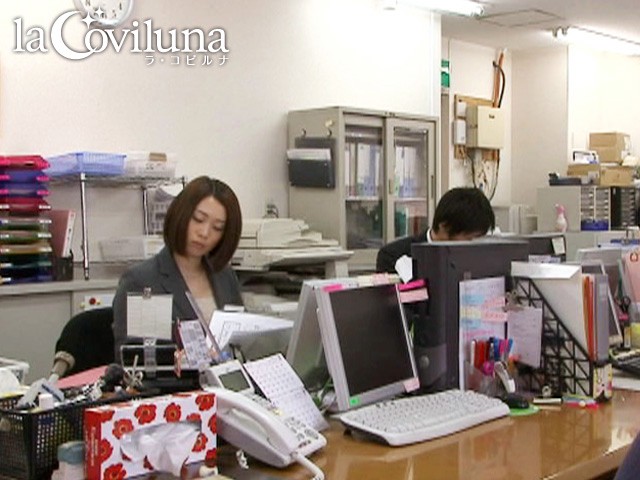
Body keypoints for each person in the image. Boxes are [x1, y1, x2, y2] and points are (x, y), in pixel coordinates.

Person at [112, 176, 244, 357]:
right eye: (198, 219)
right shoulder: (142, 280)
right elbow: (132, 356)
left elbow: (240, 341)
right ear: (181, 215)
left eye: (217, 228)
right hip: (176, 376)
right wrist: (178, 358)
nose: (204, 233)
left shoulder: (225, 276)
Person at [376, 187, 495, 275]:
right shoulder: (392, 256)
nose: (474, 245)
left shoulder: (477, 259)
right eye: (469, 239)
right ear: (444, 226)